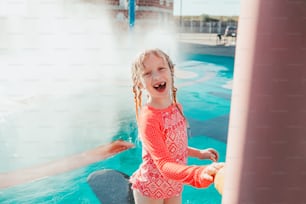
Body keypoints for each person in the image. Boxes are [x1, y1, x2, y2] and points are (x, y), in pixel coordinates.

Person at [129, 48, 224, 204]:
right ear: (139, 83)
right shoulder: (149, 119)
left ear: (171, 70)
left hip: (174, 182)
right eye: (147, 73)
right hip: (152, 187)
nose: (156, 76)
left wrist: (199, 153)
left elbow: (175, 147)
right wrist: (197, 174)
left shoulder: (177, 108)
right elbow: (163, 163)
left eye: (161, 68)